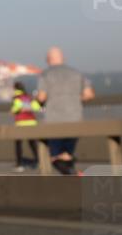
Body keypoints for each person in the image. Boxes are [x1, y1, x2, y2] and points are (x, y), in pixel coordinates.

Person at [37, 47, 94, 175]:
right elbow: (89, 95)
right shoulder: (76, 73)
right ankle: (74, 184)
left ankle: (75, 176)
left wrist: (40, 102)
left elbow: (41, 97)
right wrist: (74, 99)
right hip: (75, 119)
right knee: (67, 155)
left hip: (54, 122)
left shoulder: (46, 74)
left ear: (48, 60)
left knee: (55, 157)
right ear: (63, 59)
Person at [10, 82, 40, 172]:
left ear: (15, 89)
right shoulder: (29, 97)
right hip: (32, 122)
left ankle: (19, 165)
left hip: (21, 123)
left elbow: (15, 109)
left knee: (18, 144)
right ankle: (39, 161)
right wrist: (28, 107)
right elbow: (37, 107)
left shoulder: (16, 98)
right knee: (33, 143)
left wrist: (14, 110)